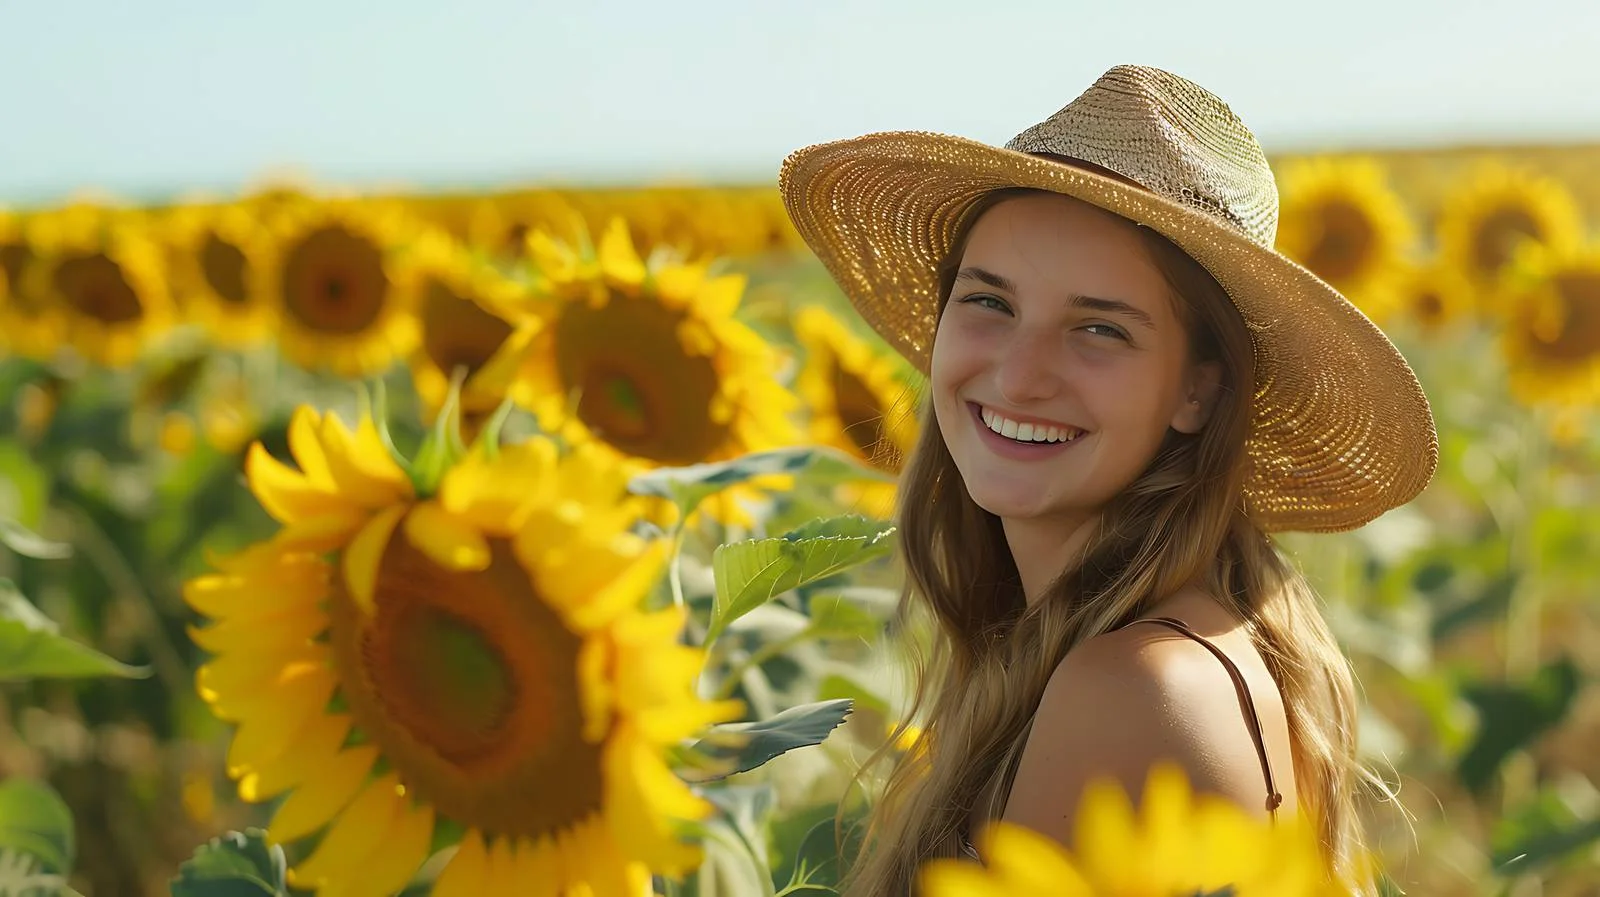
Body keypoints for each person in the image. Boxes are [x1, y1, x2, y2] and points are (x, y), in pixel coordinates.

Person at [778, 64, 1437, 894]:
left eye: (1098, 328)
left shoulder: (1130, 689)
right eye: (989, 302)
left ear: (1200, 389)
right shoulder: (1200, 636)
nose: (1019, 379)